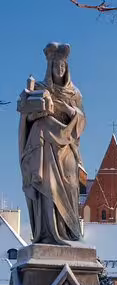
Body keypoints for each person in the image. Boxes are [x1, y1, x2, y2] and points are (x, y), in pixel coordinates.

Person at [18, 43, 85, 245]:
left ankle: (68, 232)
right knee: (47, 190)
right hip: (44, 148)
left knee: (70, 188)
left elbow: (82, 122)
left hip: (67, 150)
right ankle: (49, 234)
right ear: (50, 68)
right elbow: (27, 118)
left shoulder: (75, 94)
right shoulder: (40, 89)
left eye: (63, 66)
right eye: (56, 66)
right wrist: (37, 111)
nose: (60, 70)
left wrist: (71, 111)